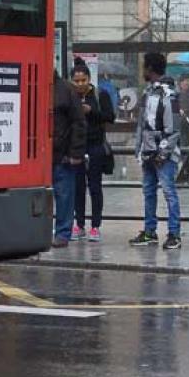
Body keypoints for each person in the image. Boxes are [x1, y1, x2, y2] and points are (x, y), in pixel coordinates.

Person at [130, 51, 182, 250]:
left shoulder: (168, 94)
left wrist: (162, 153)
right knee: (150, 191)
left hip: (160, 153)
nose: (143, 70)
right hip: (150, 151)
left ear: (150, 68)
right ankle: (151, 231)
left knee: (168, 192)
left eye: (145, 66)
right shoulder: (150, 92)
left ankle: (173, 233)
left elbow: (173, 129)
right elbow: (144, 125)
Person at [70, 59, 115, 242]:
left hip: (95, 147)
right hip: (77, 148)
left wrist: (91, 112)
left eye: (83, 80)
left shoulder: (99, 95)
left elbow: (110, 116)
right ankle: (79, 224)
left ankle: (95, 226)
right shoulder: (70, 96)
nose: (80, 84)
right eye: (77, 80)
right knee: (78, 187)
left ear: (89, 79)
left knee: (95, 187)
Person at [50, 70, 86, 248]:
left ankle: (63, 233)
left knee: (64, 195)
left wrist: (75, 153)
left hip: (62, 154)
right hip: (43, 155)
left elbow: (79, 123)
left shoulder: (66, 89)